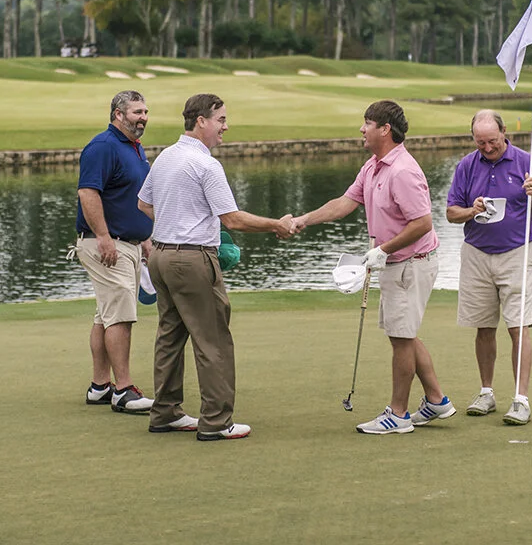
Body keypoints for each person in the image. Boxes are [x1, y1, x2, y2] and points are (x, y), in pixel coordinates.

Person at [137, 93, 296, 441]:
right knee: (213, 340)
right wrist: (277, 225)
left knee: (170, 336)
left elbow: (143, 204)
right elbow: (233, 220)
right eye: (220, 119)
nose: (225, 126)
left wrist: (177, 223)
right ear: (200, 122)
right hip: (191, 259)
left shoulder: (165, 157)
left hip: (161, 257)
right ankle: (216, 421)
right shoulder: (207, 165)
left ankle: (165, 412)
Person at [295, 100, 456, 435]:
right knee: (405, 335)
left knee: (401, 338)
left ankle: (398, 415)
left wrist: (383, 249)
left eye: (367, 123)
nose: (361, 129)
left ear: (385, 129)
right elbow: (344, 203)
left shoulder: (403, 170)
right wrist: (303, 220)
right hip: (396, 262)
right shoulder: (373, 166)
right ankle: (437, 400)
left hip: (412, 263)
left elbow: (423, 222)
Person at [446, 109, 532, 425]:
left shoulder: (525, 162)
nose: (488, 148)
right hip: (477, 254)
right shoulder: (466, 166)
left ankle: (520, 400)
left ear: (504, 132)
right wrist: (471, 210)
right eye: (480, 143)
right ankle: (486, 392)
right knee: (483, 326)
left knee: (518, 326)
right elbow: (451, 213)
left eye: (492, 141)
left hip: (517, 253)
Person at [75, 90, 156, 415]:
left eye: (146, 111)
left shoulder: (135, 149)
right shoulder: (103, 147)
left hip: (129, 243)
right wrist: (104, 236)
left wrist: (146, 238)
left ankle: (100, 386)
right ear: (118, 114)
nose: (144, 117)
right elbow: (88, 192)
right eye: (137, 112)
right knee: (121, 317)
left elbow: (136, 199)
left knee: (105, 316)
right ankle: (123, 390)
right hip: (107, 245)